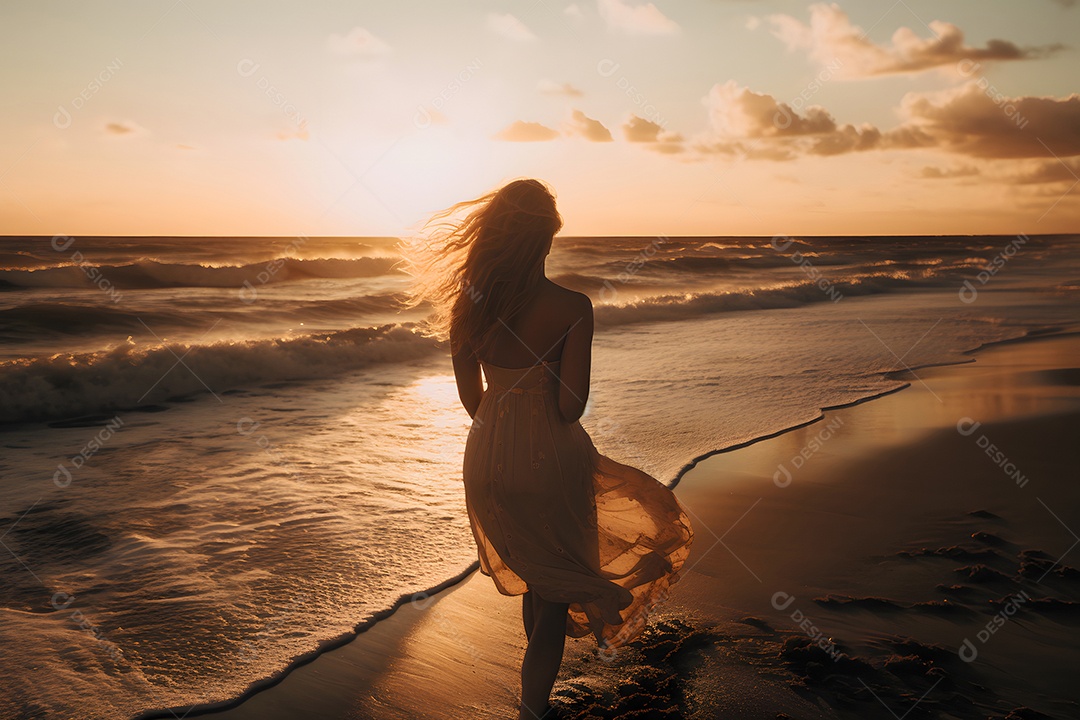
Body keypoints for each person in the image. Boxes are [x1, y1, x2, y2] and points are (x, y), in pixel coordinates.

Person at [401, 178, 693, 719]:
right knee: (555, 588)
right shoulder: (572, 306)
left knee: (542, 577)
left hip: (485, 456)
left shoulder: (469, 307)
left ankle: (535, 699)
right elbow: (569, 408)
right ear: (545, 240)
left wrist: (503, 434)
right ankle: (533, 709)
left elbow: (472, 396)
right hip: (551, 457)